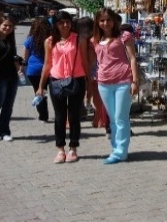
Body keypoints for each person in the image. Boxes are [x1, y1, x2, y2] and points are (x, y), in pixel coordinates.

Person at [36, 11, 89, 163]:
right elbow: (47, 64)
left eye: (67, 22)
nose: (65, 25)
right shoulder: (50, 41)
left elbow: (85, 61)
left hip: (76, 80)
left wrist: (90, 82)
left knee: (74, 116)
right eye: (61, 23)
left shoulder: (79, 39)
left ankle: (73, 148)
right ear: (56, 24)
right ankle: (60, 149)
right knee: (59, 117)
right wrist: (41, 86)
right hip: (56, 81)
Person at [92, 8, 139, 164]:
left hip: (123, 81)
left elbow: (132, 58)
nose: (106, 23)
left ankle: (121, 152)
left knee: (121, 118)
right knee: (112, 119)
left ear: (114, 21)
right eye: (102, 20)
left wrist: (135, 81)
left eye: (108, 20)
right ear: (98, 22)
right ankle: (116, 149)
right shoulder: (95, 40)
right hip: (103, 83)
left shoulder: (124, 36)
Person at [22, 17, 50, 122]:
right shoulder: (51, 40)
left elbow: (24, 57)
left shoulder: (30, 39)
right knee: (45, 90)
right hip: (48, 70)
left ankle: (43, 115)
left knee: (38, 92)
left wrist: (22, 69)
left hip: (33, 70)